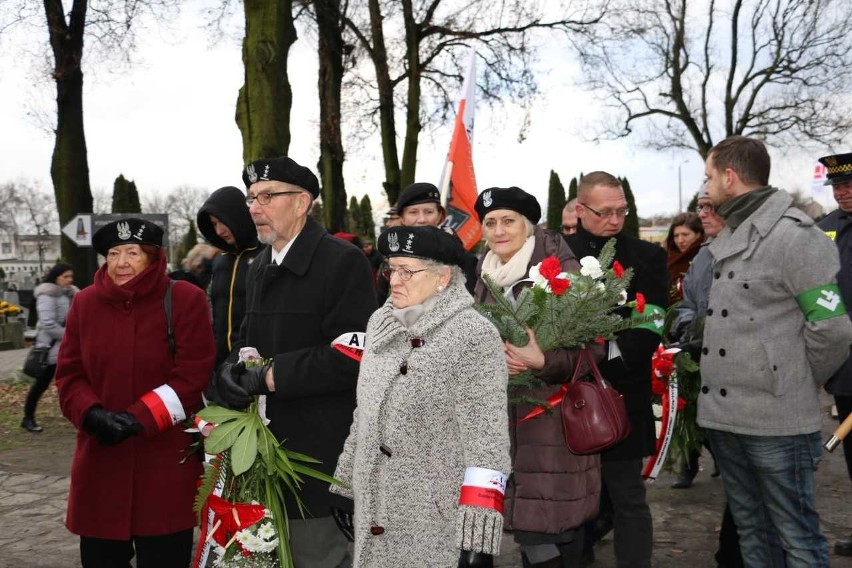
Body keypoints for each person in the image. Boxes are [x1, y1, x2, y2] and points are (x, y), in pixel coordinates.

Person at [211, 156, 377, 567]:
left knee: (314, 556)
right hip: (262, 457)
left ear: (303, 202)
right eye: (252, 198)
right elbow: (247, 339)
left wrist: (269, 376)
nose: (254, 208)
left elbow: (352, 356)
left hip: (317, 459)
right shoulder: (259, 265)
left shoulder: (342, 261)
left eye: (267, 196)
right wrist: (232, 371)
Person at [699, 136, 852, 567]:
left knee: (796, 536)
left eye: (710, 176)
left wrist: (794, 376)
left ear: (730, 177)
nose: (706, 187)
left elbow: (832, 328)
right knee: (751, 531)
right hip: (728, 419)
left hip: (778, 422)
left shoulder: (794, 237)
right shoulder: (733, 233)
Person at [332, 225, 511, 568]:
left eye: (407, 271)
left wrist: (478, 537)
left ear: (443, 277)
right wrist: (344, 484)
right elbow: (364, 414)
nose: (393, 281)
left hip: (436, 521)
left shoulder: (473, 335)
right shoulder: (380, 322)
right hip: (376, 508)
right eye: (390, 269)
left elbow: (487, 442)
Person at [55, 218, 216, 568]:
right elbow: (69, 375)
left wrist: (138, 418)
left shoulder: (185, 299)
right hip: (101, 461)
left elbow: (193, 374)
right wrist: (91, 414)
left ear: (153, 257)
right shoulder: (85, 303)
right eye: (113, 253)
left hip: (163, 462)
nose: (121, 262)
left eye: (133, 252)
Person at [473, 186, 601, 568]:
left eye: (508, 221)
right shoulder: (485, 273)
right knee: (534, 534)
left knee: (551, 534)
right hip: (503, 426)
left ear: (528, 227)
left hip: (552, 426)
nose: (499, 231)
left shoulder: (563, 271)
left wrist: (541, 360)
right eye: (490, 222)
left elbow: (592, 351)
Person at [564, 172, 669, 568]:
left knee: (628, 497)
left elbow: (649, 329)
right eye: (604, 211)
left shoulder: (647, 257)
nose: (614, 219)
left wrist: (598, 352)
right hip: (564, 395)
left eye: (621, 210)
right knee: (570, 500)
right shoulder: (557, 256)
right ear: (580, 209)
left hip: (621, 395)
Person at [818, 151, 852, 557]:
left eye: (849, 184)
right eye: (837, 185)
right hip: (844, 363)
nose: (842, 192)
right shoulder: (824, 229)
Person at [376, 182, 478, 304]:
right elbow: (381, 299)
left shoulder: (460, 256)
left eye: (428, 212)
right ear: (402, 218)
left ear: (440, 215)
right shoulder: (392, 257)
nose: (422, 219)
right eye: (413, 212)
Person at [197, 186, 263, 366]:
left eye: (221, 222)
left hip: (257, 365)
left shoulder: (267, 255)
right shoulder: (219, 262)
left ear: (238, 216)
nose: (218, 231)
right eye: (213, 224)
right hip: (221, 366)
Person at [21, 262, 77, 433]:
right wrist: (71, 336)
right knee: (41, 385)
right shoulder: (47, 295)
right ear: (56, 277)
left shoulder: (70, 294)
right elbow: (47, 324)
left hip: (67, 348)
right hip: (51, 349)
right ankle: (28, 418)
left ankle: (78, 415)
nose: (69, 280)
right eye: (65, 276)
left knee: (72, 383)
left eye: (71, 276)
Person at [665, 212, 704, 302]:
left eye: (685, 235)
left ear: (698, 235)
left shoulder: (705, 258)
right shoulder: (667, 259)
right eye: (676, 236)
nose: (680, 240)